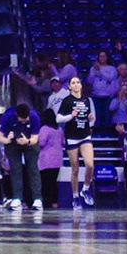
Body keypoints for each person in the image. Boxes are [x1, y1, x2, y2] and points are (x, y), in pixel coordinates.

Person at [54, 75, 99, 207]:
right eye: (73, 83)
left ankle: (85, 189)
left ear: (81, 85)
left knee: (90, 165)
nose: (75, 84)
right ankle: (75, 197)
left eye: (77, 82)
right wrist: (70, 116)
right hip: (72, 137)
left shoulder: (87, 100)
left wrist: (91, 118)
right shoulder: (67, 101)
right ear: (69, 86)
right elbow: (58, 119)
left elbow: (91, 118)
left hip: (85, 135)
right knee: (75, 168)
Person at [0, 100, 42, 211]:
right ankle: (17, 198)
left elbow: (35, 138)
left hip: (29, 141)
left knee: (33, 169)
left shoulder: (34, 117)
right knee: (15, 169)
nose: (24, 122)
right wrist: (7, 140)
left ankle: (37, 198)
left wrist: (27, 141)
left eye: (26, 120)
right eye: (22, 121)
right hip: (12, 143)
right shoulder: (7, 116)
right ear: (16, 115)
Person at [36, 114, 65, 208]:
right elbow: (63, 142)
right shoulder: (59, 129)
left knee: (45, 182)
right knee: (53, 182)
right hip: (58, 158)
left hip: (46, 159)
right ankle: (54, 202)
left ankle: (46, 202)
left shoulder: (44, 129)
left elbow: (41, 142)